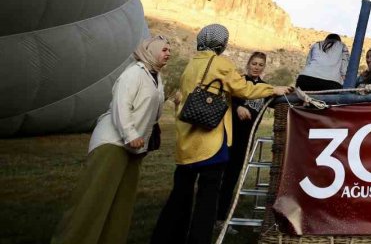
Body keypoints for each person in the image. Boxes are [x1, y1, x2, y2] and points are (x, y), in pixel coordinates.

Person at [151, 25, 292, 244]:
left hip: (186, 141)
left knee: (180, 196)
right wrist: (273, 90)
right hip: (210, 143)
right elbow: (243, 89)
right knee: (208, 198)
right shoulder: (220, 64)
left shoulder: (192, 64)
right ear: (222, 43)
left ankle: (166, 237)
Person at [52, 35, 171, 244]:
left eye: (169, 50)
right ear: (149, 51)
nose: (168, 53)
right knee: (94, 199)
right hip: (114, 143)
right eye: (164, 49)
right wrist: (130, 134)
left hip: (135, 149)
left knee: (121, 202)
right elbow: (120, 105)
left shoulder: (156, 77)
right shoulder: (134, 73)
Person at [217, 52, 269, 225]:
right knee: (218, 175)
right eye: (254, 63)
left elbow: (281, 100)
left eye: (260, 64)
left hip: (245, 140)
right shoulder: (239, 81)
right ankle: (210, 215)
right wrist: (238, 106)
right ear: (248, 64)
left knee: (232, 178)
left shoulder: (264, 89)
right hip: (228, 136)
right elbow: (226, 97)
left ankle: (221, 217)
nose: (256, 67)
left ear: (264, 67)